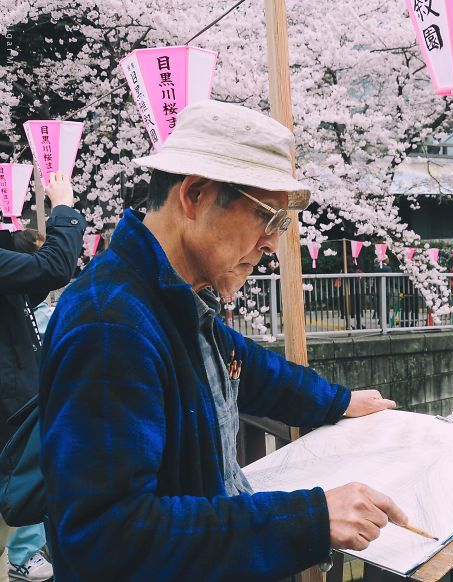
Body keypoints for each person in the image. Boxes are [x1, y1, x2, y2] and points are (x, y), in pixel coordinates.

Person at [38, 100, 407, 580]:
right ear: (194, 196)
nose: (273, 244)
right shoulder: (111, 327)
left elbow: (243, 365)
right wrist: (310, 521)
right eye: (267, 218)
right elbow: (105, 536)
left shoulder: (166, 298)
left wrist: (338, 401)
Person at [1, 173, 85, 582]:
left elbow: (35, 280)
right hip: (11, 407)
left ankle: (26, 554)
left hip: (17, 400)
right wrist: (64, 208)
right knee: (27, 488)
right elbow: (54, 268)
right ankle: (25, 556)